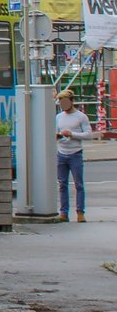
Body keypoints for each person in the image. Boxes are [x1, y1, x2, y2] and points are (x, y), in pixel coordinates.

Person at [55, 88, 94, 222]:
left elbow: (89, 135)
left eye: (64, 102)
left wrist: (72, 134)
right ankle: (63, 213)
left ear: (72, 101)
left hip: (75, 153)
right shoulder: (58, 117)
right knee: (62, 184)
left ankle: (80, 212)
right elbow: (55, 132)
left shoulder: (81, 117)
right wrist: (58, 136)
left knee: (79, 184)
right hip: (61, 153)